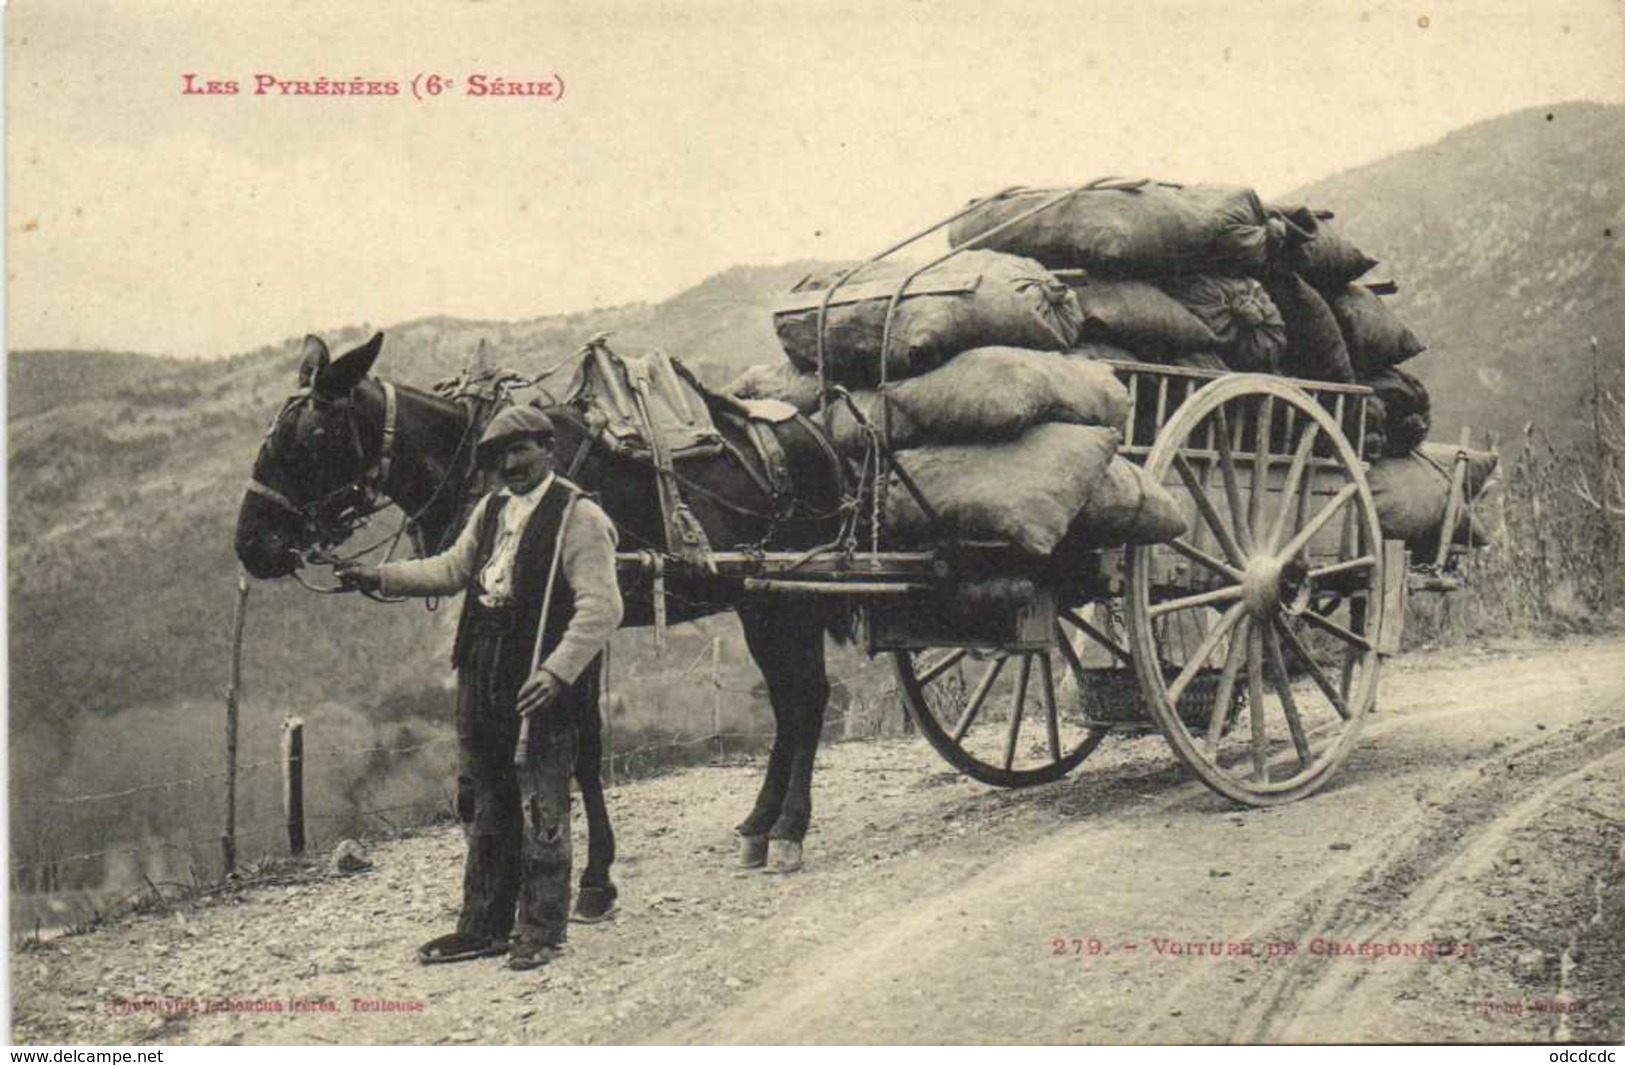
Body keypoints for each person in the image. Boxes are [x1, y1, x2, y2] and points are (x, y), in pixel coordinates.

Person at [337, 405, 624, 971]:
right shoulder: (490, 509)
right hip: (482, 664)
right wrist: (380, 576)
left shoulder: (579, 517)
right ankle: (484, 926)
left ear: (549, 450)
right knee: (487, 797)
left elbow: (602, 606)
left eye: (522, 450)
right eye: (500, 455)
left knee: (542, 801)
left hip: (540, 676)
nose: (511, 464)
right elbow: (449, 569)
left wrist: (556, 672)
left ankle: (542, 929)